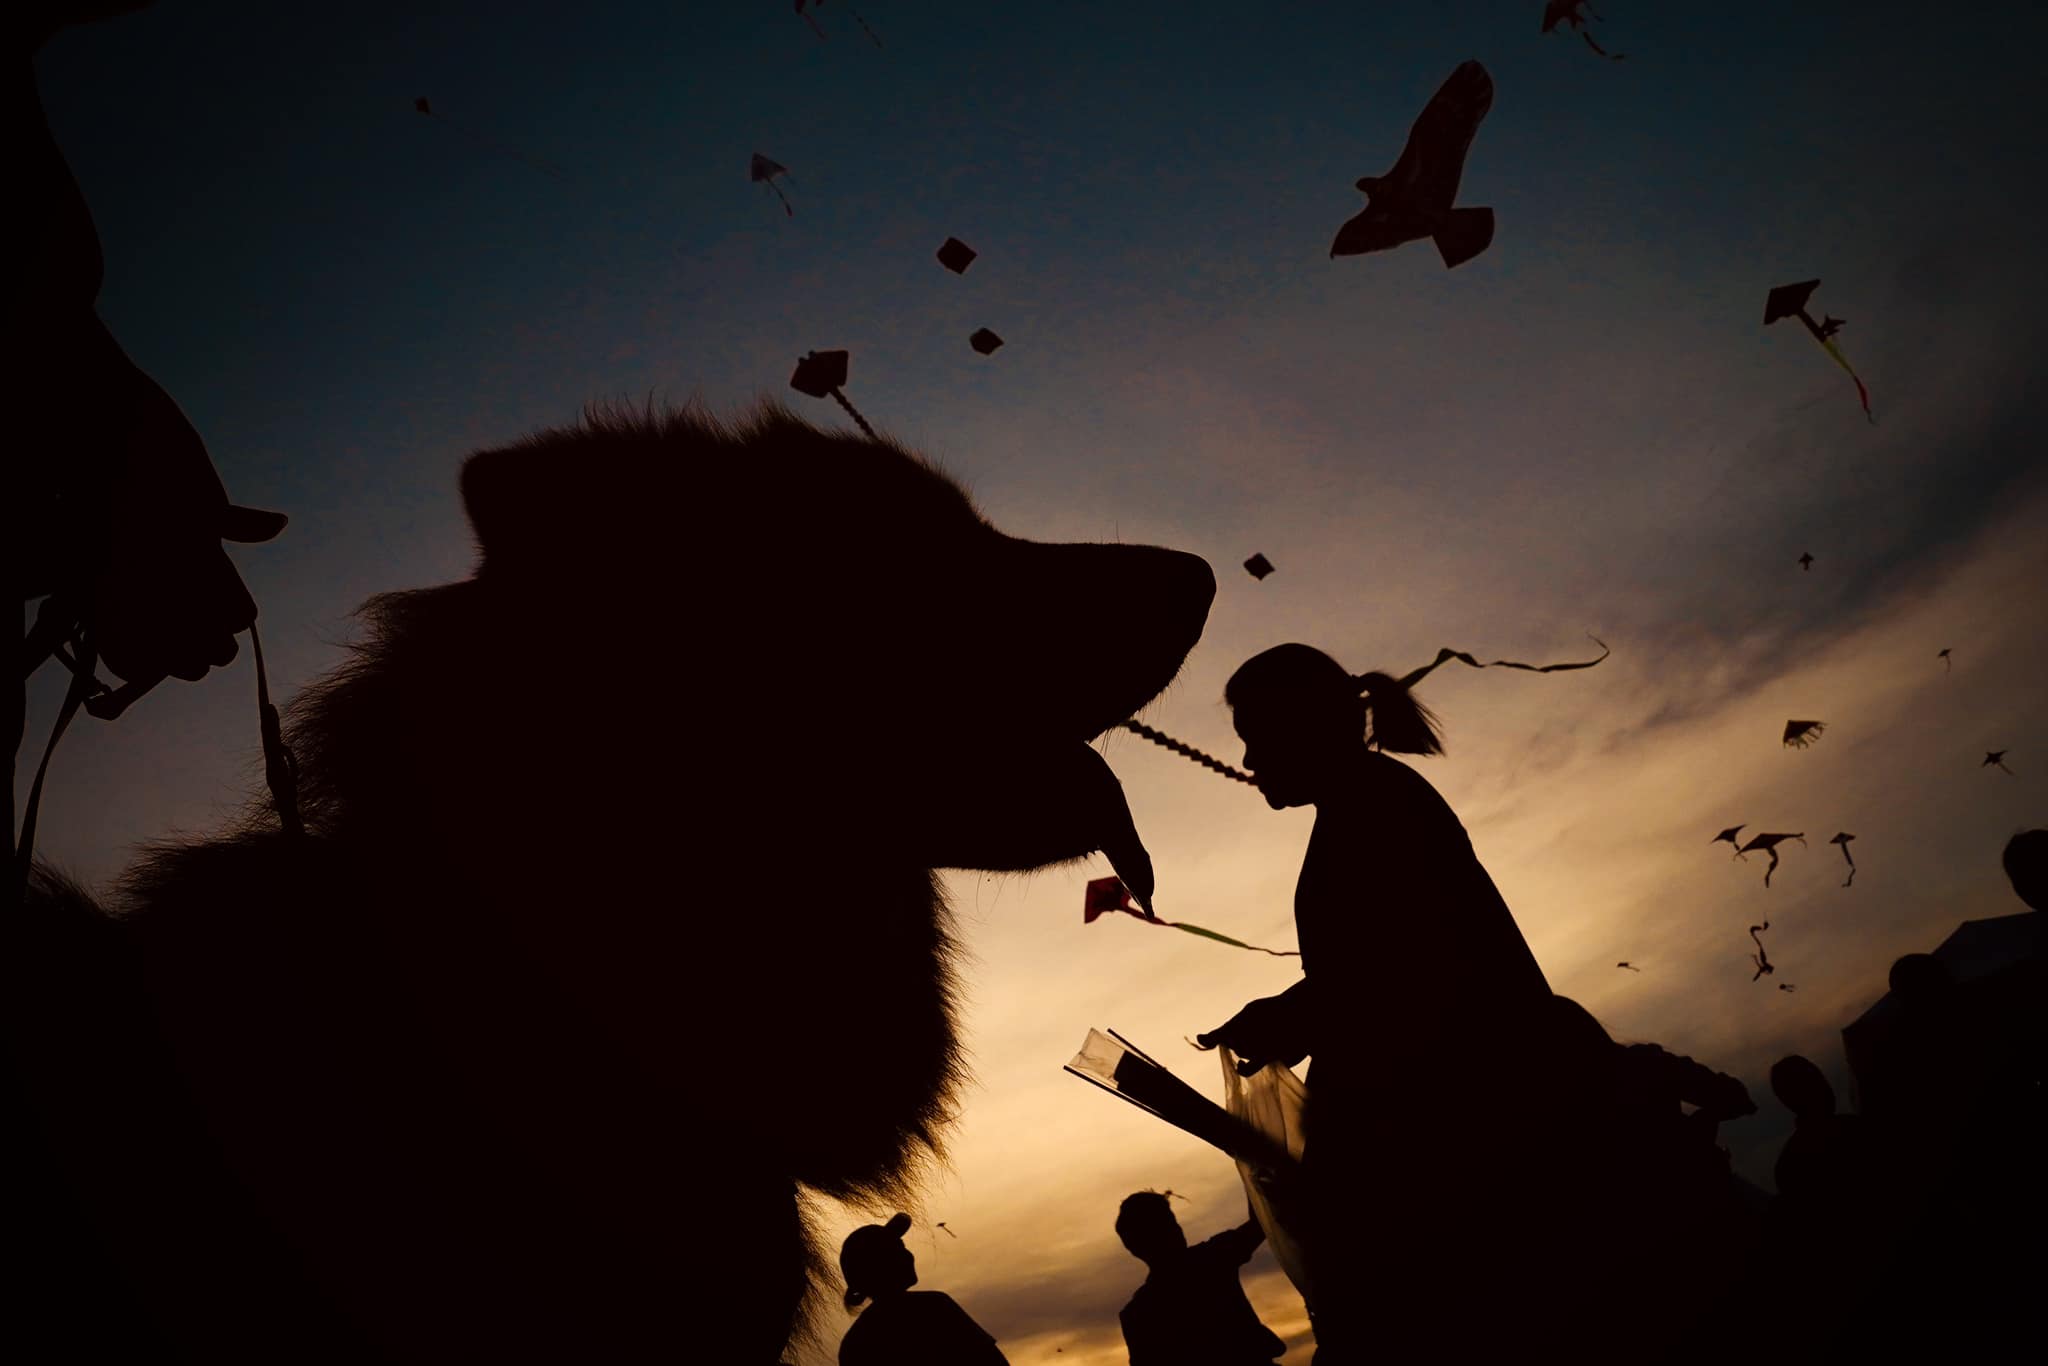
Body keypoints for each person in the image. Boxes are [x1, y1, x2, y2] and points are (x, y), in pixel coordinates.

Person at [1194, 645, 1556, 1361]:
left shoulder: (1373, 807)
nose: (1249, 763)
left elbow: (1417, 972)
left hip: (1445, 1136)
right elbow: (1387, 964)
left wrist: (1293, 1015)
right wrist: (1298, 1011)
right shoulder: (1370, 802)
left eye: (1256, 743)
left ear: (1300, 729)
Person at [1115, 1191, 1285, 1365]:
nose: (1175, 1230)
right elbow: (1259, 1224)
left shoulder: (1136, 1315)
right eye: (1164, 1226)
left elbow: (1258, 1224)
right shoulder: (1210, 1259)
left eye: (1173, 1222)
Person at [837, 1213, 1007, 1366]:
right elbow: (992, 1361)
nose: (908, 1254)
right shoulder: (933, 1306)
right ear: (882, 1264)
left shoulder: (854, 1343)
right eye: (898, 1248)